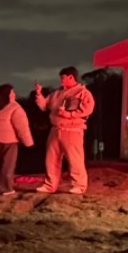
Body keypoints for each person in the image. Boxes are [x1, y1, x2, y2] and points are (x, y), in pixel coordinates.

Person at [32, 66, 95, 194]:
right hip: (55, 129)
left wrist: (69, 115)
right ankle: (50, 185)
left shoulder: (82, 93)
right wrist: (39, 94)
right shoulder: (56, 93)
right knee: (51, 158)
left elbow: (87, 110)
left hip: (72, 129)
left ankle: (79, 185)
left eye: (63, 78)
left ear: (71, 77)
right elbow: (44, 106)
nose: (61, 80)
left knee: (74, 158)